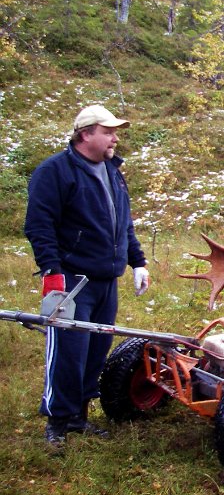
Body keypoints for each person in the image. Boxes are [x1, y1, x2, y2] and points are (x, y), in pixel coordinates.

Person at [24, 104, 151, 447]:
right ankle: (58, 421)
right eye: (108, 131)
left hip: (106, 280)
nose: (114, 138)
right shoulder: (55, 171)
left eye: (115, 132)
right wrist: (52, 273)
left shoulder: (112, 171)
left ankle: (79, 415)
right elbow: (39, 226)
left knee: (96, 349)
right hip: (71, 280)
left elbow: (123, 221)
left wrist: (137, 261)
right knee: (68, 350)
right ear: (85, 134)